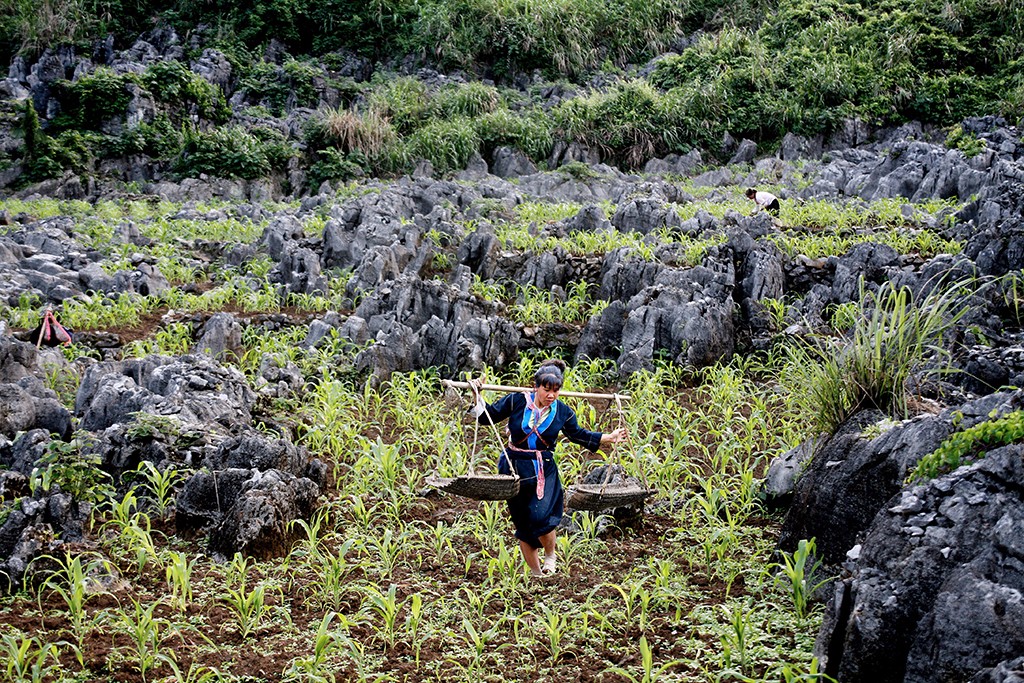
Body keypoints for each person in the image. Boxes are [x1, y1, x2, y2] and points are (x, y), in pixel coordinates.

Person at [469, 360, 628, 578]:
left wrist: (607, 437)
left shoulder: (562, 412)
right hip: (514, 468)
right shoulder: (516, 400)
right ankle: (536, 574)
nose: (551, 395)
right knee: (523, 522)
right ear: (536, 387)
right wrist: (476, 395)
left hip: (543, 469)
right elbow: (488, 416)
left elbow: (578, 435)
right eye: (547, 389)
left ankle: (550, 554)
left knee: (541, 516)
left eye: (556, 390)